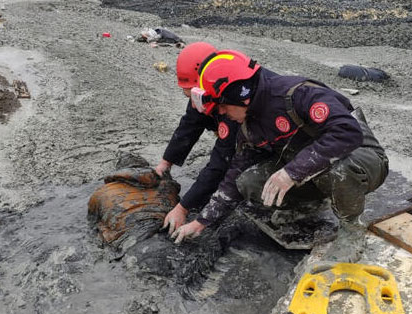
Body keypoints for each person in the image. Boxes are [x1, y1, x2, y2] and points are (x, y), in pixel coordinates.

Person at [171, 50, 388, 254]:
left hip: (362, 159)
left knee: (337, 169)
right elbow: (234, 174)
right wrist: (200, 222)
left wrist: (291, 173)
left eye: (223, 107)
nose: (223, 114)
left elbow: (348, 132)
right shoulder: (250, 124)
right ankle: (312, 203)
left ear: (240, 97)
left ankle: (351, 231)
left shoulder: (297, 94)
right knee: (249, 181)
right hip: (314, 170)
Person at [155, 42, 240, 236]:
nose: (193, 99)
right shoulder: (200, 94)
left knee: (240, 175)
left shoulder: (233, 103)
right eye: (190, 93)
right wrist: (165, 164)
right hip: (229, 128)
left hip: (278, 145)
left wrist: (183, 207)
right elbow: (189, 125)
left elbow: (221, 161)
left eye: (195, 92)